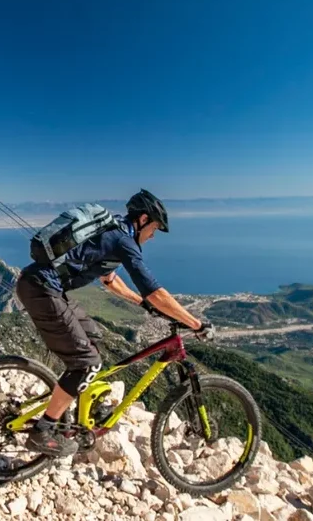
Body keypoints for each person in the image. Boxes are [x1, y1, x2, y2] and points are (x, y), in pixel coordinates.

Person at [15, 188, 211, 456]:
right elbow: (155, 291)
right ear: (142, 219)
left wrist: (141, 304)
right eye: (154, 228)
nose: (153, 236)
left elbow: (110, 280)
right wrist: (195, 323)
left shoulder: (112, 232)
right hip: (42, 290)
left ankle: (86, 407)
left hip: (43, 287)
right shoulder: (123, 240)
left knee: (93, 336)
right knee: (87, 363)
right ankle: (43, 431)